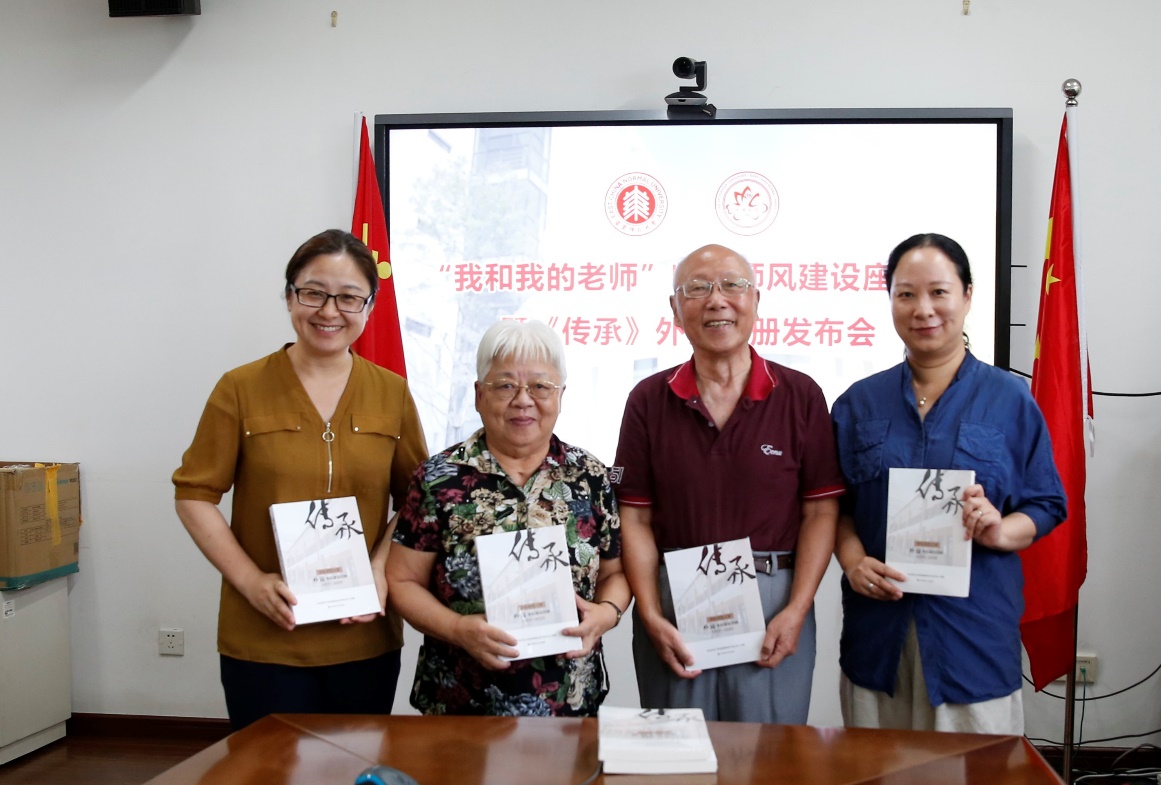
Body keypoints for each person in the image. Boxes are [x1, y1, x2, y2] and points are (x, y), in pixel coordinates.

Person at [173, 228, 428, 730]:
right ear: (289, 296)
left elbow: (416, 500)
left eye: (349, 297)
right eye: (314, 293)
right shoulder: (240, 388)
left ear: (369, 307)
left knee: (356, 771)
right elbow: (194, 495)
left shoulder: (392, 393)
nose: (329, 311)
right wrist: (252, 582)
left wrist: (380, 568)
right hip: (266, 634)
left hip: (363, 635)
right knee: (269, 774)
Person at [831, 232, 1067, 734]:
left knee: (976, 782)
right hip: (878, 632)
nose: (923, 309)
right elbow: (836, 507)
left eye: (939, 292)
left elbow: (1046, 503)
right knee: (876, 779)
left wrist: (1000, 530)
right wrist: (852, 562)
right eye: (906, 294)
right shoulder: (858, 403)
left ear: (967, 295)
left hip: (972, 633)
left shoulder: (1009, 399)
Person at [611, 244, 844, 724]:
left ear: (756, 300)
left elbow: (821, 511)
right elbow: (634, 516)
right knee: (680, 753)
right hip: (675, 604)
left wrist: (797, 608)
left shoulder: (800, 395)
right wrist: (650, 614)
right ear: (675, 309)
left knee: (769, 756)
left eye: (733, 285)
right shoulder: (648, 400)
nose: (717, 300)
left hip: (773, 604)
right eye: (697, 288)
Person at [386, 319, 629, 717]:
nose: (523, 400)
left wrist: (607, 613)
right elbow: (402, 581)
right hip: (462, 703)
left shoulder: (590, 476)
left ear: (561, 395)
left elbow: (615, 574)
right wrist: (457, 629)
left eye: (540, 386)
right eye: (505, 386)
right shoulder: (438, 478)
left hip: (568, 700)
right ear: (479, 395)